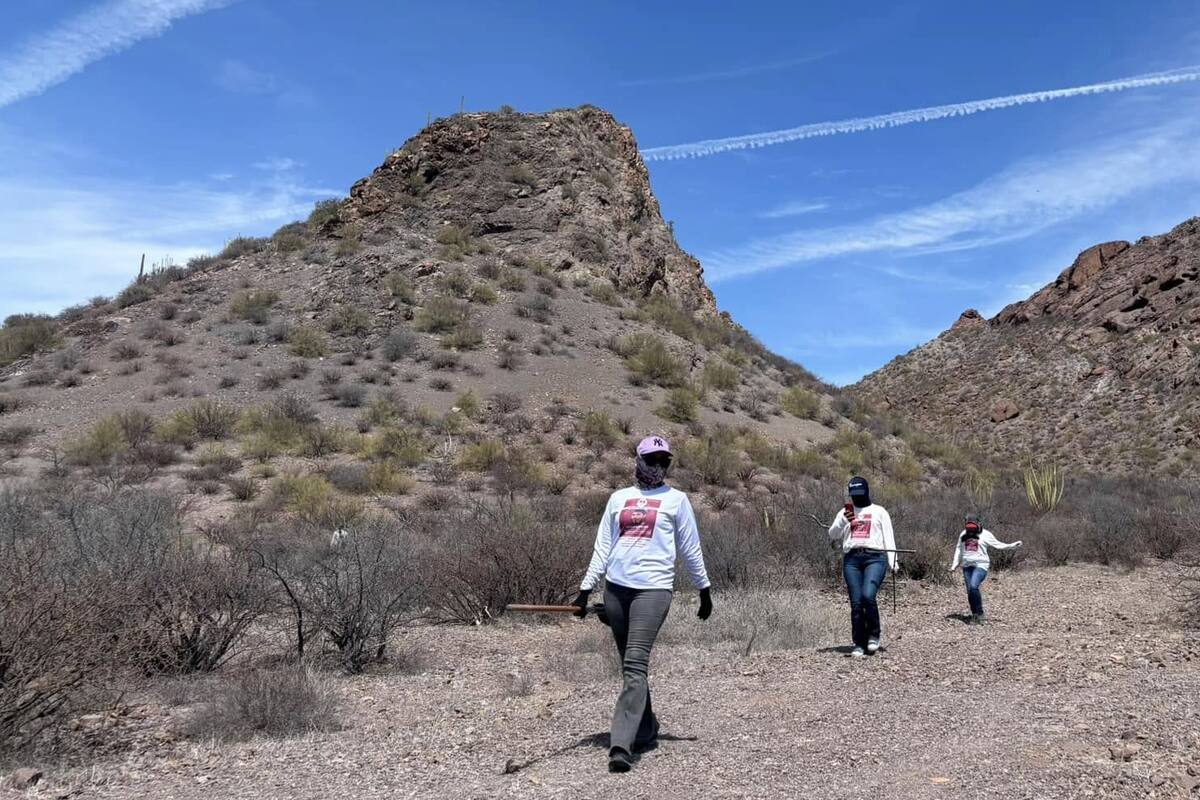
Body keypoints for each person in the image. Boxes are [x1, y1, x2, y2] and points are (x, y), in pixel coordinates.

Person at [572, 435, 713, 773]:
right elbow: (603, 547)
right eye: (652, 460)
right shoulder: (618, 498)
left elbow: (690, 548)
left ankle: (621, 745)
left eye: (664, 461)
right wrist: (585, 589)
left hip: (654, 590)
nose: (658, 467)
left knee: (635, 663)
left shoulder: (677, 500)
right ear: (638, 461)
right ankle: (647, 728)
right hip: (616, 591)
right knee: (630, 667)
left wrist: (703, 588)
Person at [828, 476, 897, 657]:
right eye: (854, 494)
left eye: (860, 494)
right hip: (852, 560)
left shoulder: (879, 511)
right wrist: (844, 520)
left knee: (868, 595)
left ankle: (874, 636)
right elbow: (833, 534)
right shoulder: (845, 511)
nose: (857, 497)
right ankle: (859, 643)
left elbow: (888, 537)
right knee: (856, 602)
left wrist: (893, 561)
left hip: (875, 557)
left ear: (866, 492)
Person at [949, 514, 1022, 624]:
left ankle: (980, 614)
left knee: (974, 586)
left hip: (981, 565)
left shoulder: (986, 534)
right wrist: (954, 565)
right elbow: (959, 549)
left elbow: (998, 545)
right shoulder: (963, 534)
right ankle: (975, 615)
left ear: (979, 524)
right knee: (970, 591)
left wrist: (1012, 546)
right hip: (967, 566)